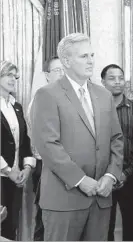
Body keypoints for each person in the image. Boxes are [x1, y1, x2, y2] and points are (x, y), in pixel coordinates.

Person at [31, 33, 124, 241]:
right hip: (64, 200)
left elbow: (117, 139)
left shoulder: (104, 95)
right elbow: (47, 145)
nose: (91, 60)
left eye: (92, 55)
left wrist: (110, 176)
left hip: (101, 197)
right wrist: (80, 180)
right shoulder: (47, 94)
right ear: (66, 61)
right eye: (84, 56)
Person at [101, 64, 133, 241]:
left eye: (121, 78)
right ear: (103, 82)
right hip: (103, 177)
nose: (117, 82)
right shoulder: (97, 110)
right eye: (112, 78)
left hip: (131, 176)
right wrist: (110, 174)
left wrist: (126, 173)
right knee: (104, 227)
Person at [27, 55, 64, 241]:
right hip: (47, 167)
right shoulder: (42, 98)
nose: (62, 74)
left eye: (64, 69)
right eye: (57, 70)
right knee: (46, 218)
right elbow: (43, 140)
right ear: (46, 75)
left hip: (64, 166)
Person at [0, 60, 36, 240]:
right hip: (2, 175)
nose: (13, 79)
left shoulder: (17, 106)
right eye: (8, 74)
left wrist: (27, 168)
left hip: (16, 178)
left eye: (15, 76)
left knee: (11, 226)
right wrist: (7, 170)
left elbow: (24, 142)